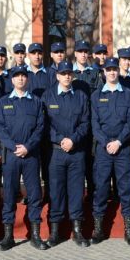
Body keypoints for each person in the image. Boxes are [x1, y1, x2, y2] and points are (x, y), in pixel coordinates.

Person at [0, 65, 47, 251]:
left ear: (28, 79)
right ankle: (8, 236)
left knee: (34, 195)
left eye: (23, 76)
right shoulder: (3, 102)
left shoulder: (36, 102)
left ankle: (35, 234)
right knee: (9, 194)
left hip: (30, 155)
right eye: (17, 76)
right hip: (11, 156)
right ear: (12, 80)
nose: (20, 79)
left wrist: (27, 147)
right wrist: (12, 146)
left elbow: (40, 128)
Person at [42, 61, 91, 247]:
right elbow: (45, 124)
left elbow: (86, 122)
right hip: (55, 152)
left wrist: (73, 139)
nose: (67, 76)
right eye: (63, 73)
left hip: (76, 151)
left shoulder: (81, 96)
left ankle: (77, 231)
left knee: (77, 190)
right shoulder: (48, 95)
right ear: (57, 76)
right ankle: (55, 232)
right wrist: (61, 139)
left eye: (69, 73)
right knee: (56, 191)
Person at [90, 57, 130, 245]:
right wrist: (106, 142)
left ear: (118, 71)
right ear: (103, 72)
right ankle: (99, 229)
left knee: (126, 190)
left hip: (122, 149)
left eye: (114, 69)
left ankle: (129, 230)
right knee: (101, 189)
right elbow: (94, 124)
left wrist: (118, 141)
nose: (111, 72)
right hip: (103, 150)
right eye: (108, 69)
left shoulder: (127, 94)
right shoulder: (95, 96)